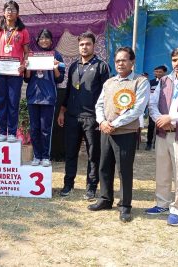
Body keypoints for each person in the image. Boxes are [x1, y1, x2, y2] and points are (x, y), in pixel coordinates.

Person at [88, 47, 150, 223]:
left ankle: (125, 206)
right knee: (104, 166)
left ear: (132, 62)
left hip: (126, 132)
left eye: (124, 60)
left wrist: (113, 124)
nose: (120, 64)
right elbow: (99, 104)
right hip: (106, 131)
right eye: (117, 61)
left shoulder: (141, 82)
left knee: (124, 169)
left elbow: (138, 109)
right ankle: (106, 199)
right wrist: (102, 122)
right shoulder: (109, 82)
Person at [145, 47, 178, 226]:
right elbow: (152, 103)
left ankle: (177, 209)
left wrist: (172, 118)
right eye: (174, 60)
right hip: (162, 132)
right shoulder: (164, 80)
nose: (177, 64)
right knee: (162, 170)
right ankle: (162, 203)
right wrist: (160, 119)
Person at [57, 32, 110, 199]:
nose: (84, 47)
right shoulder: (73, 66)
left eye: (87, 44)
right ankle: (68, 184)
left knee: (93, 154)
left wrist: (103, 118)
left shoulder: (102, 66)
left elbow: (106, 94)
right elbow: (70, 90)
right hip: (72, 116)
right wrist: (62, 110)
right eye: (81, 44)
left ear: (93, 45)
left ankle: (91, 186)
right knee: (70, 152)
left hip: (92, 118)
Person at [24, 29, 65, 167]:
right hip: (33, 97)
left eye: (47, 38)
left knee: (45, 129)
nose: (44, 41)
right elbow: (26, 79)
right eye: (41, 38)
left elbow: (60, 79)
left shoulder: (56, 55)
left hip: (48, 98)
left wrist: (54, 67)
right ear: (38, 40)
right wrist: (28, 68)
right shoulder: (31, 55)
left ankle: (46, 156)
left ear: (51, 40)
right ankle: (37, 156)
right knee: (34, 128)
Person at [0, 0, 30, 142]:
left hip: (15, 73)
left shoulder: (23, 31)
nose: (10, 12)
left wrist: (23, 65)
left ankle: (12, 133)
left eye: (13, 10)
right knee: (1, 102)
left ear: (17, 13)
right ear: (3, 12)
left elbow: (26, 52)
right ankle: (2, 132)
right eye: (7, 9)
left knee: (13, 102)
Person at [145, 65, 168, 150]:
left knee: (161, 125)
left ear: (164, 72)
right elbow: (147, 94)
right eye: (156, 71)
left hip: (164, 107)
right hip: (153, 107)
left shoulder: (167, 82)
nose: (158, 73)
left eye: (160, 72)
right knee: (151, 125)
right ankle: (149, 143)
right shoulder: (151, 82)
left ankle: (157, 143)